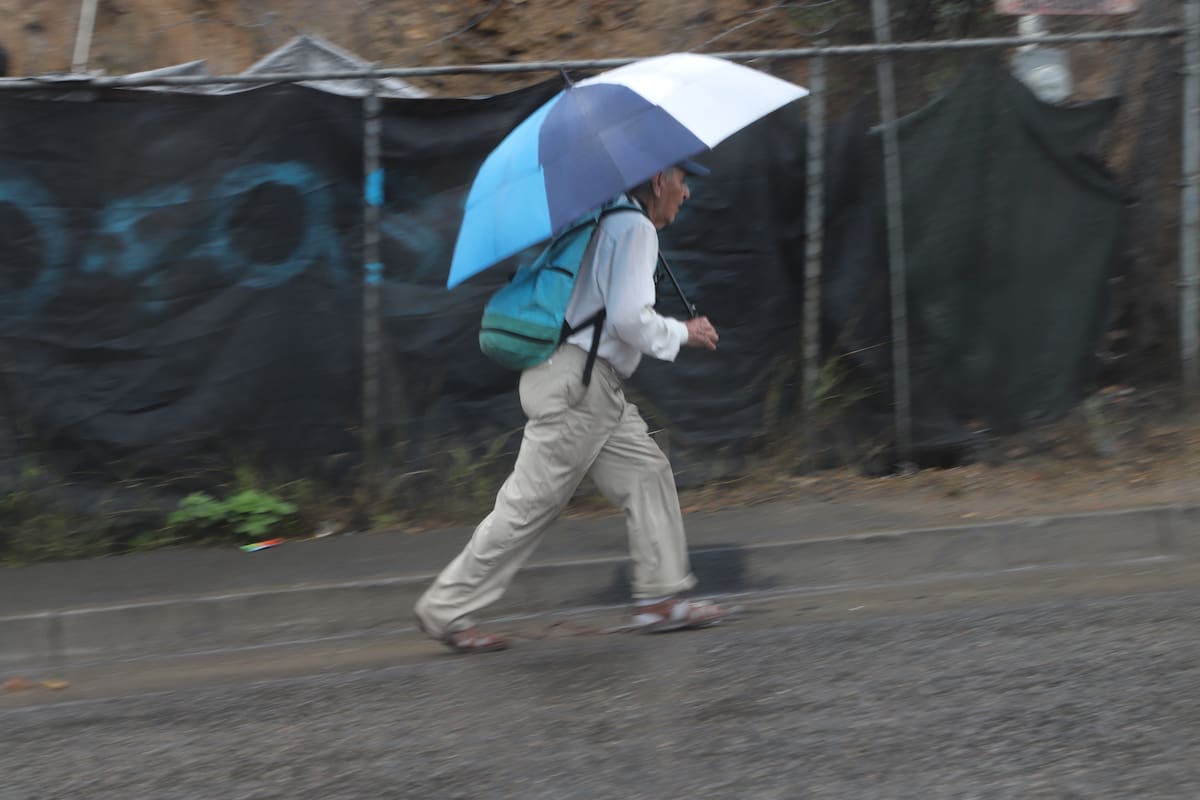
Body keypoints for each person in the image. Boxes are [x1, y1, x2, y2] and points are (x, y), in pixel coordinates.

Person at [415, 159, 730, 653]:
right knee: (526, 507)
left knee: (647, 473)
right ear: (656, 182)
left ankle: (660, 599)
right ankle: (445, 609)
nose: (685, 194)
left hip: (587, 385)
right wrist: (682, 332)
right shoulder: (634, 228)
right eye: (681, 182)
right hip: (578, 388)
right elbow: (629, 319)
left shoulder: (604, 218)